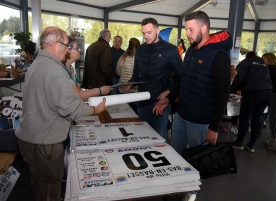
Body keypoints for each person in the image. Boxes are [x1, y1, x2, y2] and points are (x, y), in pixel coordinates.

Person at [15, 26, 108, 201]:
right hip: (45, 143)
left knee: (40, 185)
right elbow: (72, 108)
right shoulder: (54, 70)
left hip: (31, 138)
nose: (67, 50)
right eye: (66, 45)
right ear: (54, 44)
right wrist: (97, 110)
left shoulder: (38, 63)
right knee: (50, 188)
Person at [153, 11, 232, 154]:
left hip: (200, 122)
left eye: (191, 30)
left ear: (204, 29)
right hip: (181, 115)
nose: (187, 34)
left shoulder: (219, 56)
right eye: (186, 30)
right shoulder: (191, 51)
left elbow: (223, 94)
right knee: (176, 155)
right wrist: (168, 99)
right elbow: (184, 79)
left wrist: (213, 128)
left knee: (197, 161)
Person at [121, 17, 183, 139]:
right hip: (142, 102)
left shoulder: (170, 50)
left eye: (149, 32)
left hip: (160, 102)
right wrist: (130, 84)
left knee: (158, 138)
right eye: (144, 33)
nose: (146, 36)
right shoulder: (140, 50)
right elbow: (136, 74)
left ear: (158, 31)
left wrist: (169, 92)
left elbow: (182, 75)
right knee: (141, 137)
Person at [231, 51, 273, 153]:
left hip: (253, 93)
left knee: (244, 118)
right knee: (257, 118)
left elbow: (239, 78)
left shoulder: (245, 63)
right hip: (267, 92)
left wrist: (232, 89)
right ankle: (251, 145)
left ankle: (238, 143)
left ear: (247, 57)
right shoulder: (264, 64)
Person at [64, 36, 113, 101]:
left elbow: (77, 91)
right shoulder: (62, 70)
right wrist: (100, 90)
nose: (80, 50)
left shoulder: (71, 68)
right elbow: (77, 95)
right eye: (77, 48)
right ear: (68, 50)